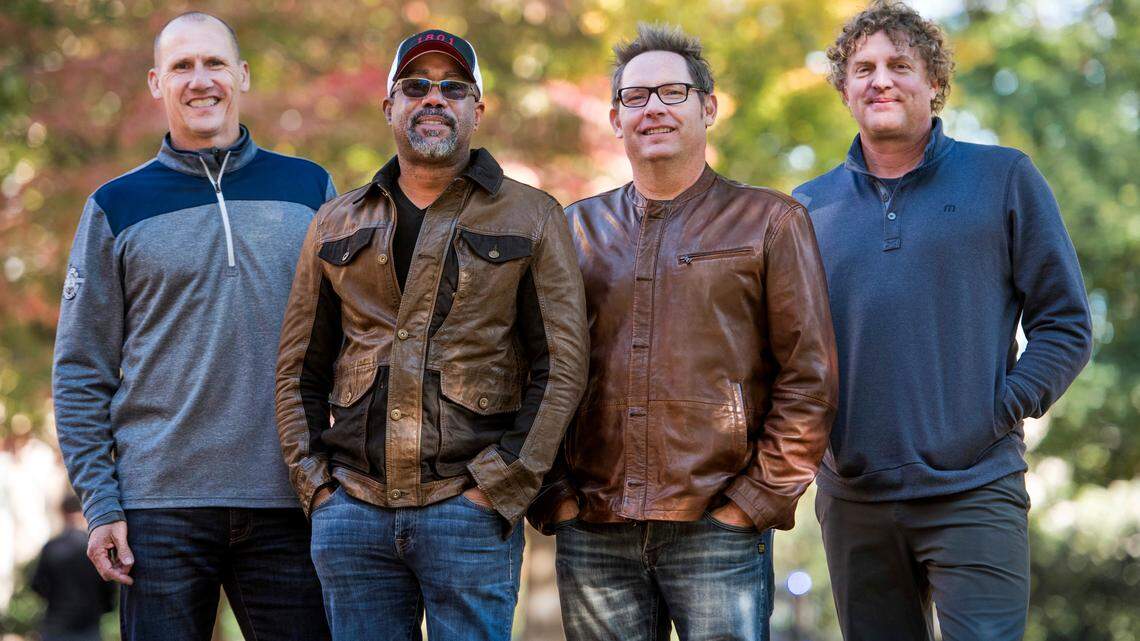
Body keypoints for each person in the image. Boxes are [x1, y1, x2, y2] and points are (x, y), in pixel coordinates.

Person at [792, 2, 1094, 639]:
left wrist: (995, 409)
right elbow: (789, 353)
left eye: (900, 65)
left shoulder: (1003, 178)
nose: (880, 79)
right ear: (844, 91)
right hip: (853, 500)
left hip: (975, 488)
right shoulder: (806, 209)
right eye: (863, 68)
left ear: (933, 83)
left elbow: (1065, 321)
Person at [274, 29, 588, 641]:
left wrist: (501, 486)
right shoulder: (336, 220)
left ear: (477, 108)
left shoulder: (532, 215)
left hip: (469, 509)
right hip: (352, 512)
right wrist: (316, 487)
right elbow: (298, 370)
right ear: (390, 107)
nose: (434, 98)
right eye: (415, 86)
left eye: (453, 87)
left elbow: (563, 365)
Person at [528, 23, 838, 641]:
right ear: (616, 120)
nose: (654, 110)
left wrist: (752, 503)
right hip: (594, 529)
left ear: (708, 107)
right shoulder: (573, 230)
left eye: (672, 92)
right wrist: (555, 495)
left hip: (717, 529)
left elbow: (810, 376)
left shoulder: (771, 221)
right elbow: (534, 367)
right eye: (636, 98)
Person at [52, 11, 334, 641]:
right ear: (157, 83)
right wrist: (100, 504)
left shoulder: (310, 188)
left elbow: (349, 340)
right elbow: (79, 369)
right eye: (181, 66)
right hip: (158, 507)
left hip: (291, 496)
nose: (198, 79)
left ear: (242, 76)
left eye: (213, 63)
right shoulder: (115, 206)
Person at [31, 495, 116, 641]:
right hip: (89, 625)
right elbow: (108, 583)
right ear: (85, 513)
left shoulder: (51, 547)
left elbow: (36, 584)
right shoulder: (97, 549)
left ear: (62, 513)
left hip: (56, 623)